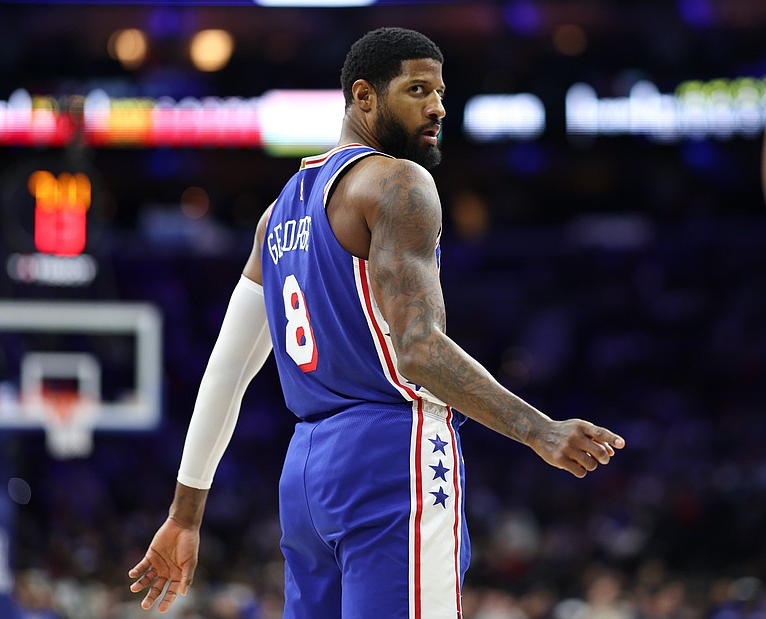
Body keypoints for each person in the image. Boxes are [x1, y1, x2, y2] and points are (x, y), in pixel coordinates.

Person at [128, 27, 625, 619]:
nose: (437, 107)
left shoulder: (275, 215)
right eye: (417, 90)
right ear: (364, 96)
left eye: (440, 92)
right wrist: (538, 430)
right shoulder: (398, 183)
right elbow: (418, 350)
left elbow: (226, 372)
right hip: (393, 453)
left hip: (306, 471)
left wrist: (185, 514)